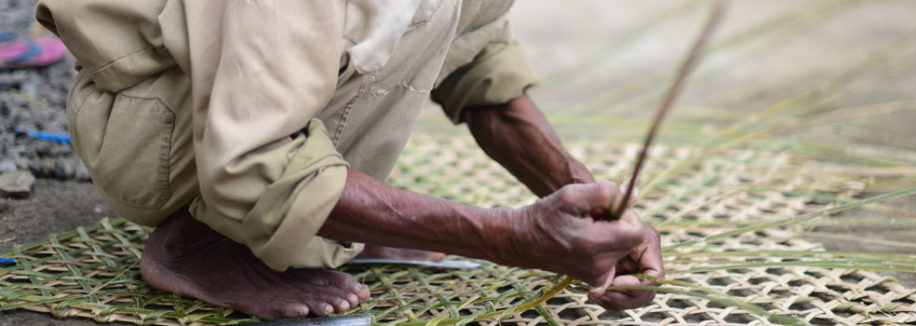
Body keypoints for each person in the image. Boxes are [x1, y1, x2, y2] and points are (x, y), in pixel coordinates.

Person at [36, 0, 665, 319]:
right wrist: (511, 237)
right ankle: (201, 241)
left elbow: (476, 58)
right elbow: (250, 158)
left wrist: (590, 199)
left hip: (236, 102)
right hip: (156, 127)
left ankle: (338, 217)